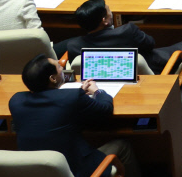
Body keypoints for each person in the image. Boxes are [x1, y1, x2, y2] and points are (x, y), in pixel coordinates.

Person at [11, 54, 142, 177]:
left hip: (37, 171)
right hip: (76, 170)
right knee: (123, 146)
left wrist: (77, 95)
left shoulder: (16, 101)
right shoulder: (72, 97)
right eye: (59, 67)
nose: (62, 68)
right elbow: (105, 109)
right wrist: (97, 91)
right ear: (52, 78)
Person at [60, 0, 182, 75]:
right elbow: (150, 44)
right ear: (104, 20)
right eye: (109, 10)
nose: (111, 12)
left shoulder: (73, 46)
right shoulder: (127, 31)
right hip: (149, 69)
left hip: (104, 82)